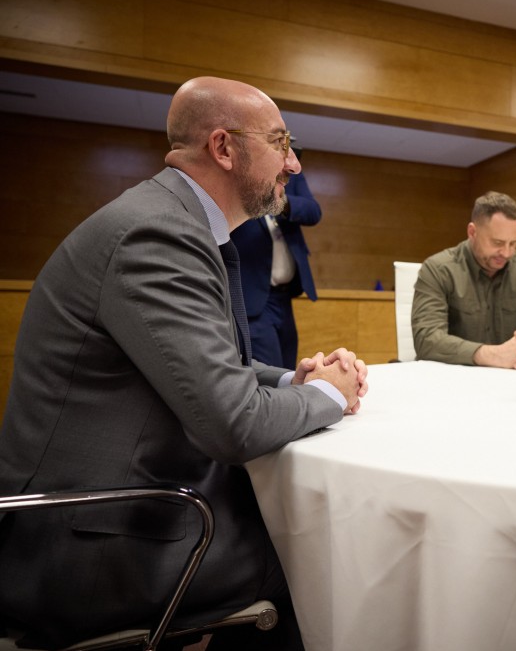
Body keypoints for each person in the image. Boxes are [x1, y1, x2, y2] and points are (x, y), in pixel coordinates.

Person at [0, 77, 368, 651]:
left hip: (112, 504)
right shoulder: (158, 235)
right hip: (89, 545)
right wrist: (328, 396)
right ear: (224, 148)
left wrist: (295, 379)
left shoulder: (174, 221)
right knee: (318, 555)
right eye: (281, 142)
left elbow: (210, 368)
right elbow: (234, 425)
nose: (294, 164)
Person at [412, 191, 516, 369]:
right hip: (451, 382)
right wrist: (491, 355)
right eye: (498, 243)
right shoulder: (437, 270)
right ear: (472, 232)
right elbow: (426, 339)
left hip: (513, 382)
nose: (507, 253)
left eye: (513, 243)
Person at [230, 145, 321, 368]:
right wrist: (263, 193)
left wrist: (280, 201)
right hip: (254, 295)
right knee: (271, 371)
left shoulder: (290, 174)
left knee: (289, 368)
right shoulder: (244, 174)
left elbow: (313, 211)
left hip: (285, 296)